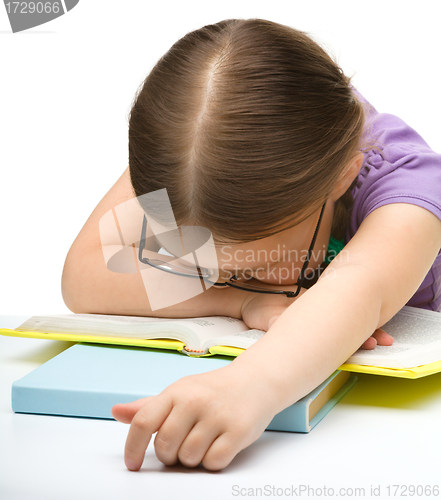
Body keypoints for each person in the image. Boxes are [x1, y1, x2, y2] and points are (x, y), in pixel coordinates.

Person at [61, 18, 441, 472]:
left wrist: (247, 386)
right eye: (203, 261)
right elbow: (86, 273)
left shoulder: (409, 187)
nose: (233, 274)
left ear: (341, 178)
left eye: (265, 264)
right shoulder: (198, 156)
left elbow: (359, 287)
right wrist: (238, 298)